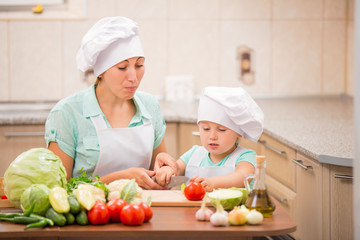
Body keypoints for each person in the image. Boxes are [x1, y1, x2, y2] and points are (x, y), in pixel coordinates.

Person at [45, 16, 176, 189]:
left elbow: (158, 173)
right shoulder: (67, 113)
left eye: (139, 65)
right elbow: (59, 190)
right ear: (100, 72)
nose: (133, 77)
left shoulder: (150, 106)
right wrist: (119, 179)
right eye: (122, 67)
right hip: (90, 213)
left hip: (140, 212)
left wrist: (165, 170)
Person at [155, 86, 264, 192]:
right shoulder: (193, 154)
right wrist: (167, 171)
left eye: (221, 130)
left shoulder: (246, 156)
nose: (212, 136)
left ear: (239, 132)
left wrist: (212, 183)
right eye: (206, 129)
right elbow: (176, 168)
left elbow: (242, 177)